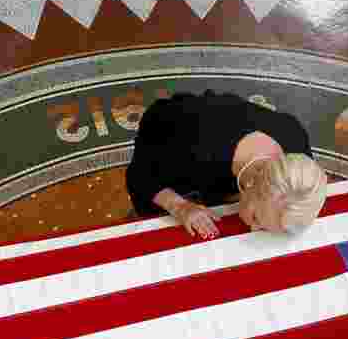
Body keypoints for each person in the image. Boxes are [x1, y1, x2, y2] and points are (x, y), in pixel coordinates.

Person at [126, 90, 328, 239]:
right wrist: (179, 206)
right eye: (257, 218)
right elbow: (139, 176)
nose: (254, 229)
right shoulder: (196, 149)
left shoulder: (298, 157)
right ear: (249, 186)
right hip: (166, 131)